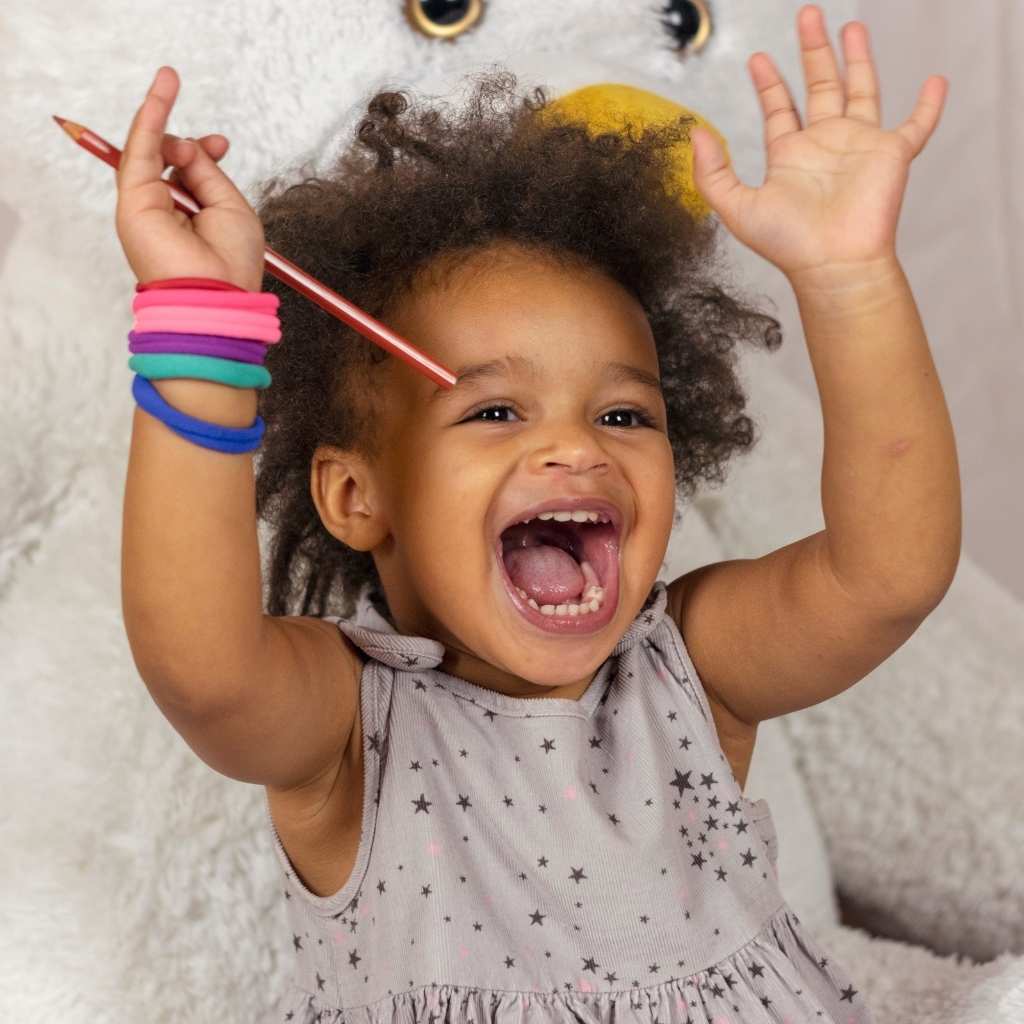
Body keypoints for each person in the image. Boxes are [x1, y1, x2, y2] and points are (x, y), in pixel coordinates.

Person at [116, 6, 958, 1021]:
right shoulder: (350, 728)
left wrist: (851, 280)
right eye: (494, 410)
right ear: (355, 495)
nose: (576, 448)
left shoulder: (692, 672)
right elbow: (203, 670)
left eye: (622, 414)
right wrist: (202, 331)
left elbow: (888, 574)